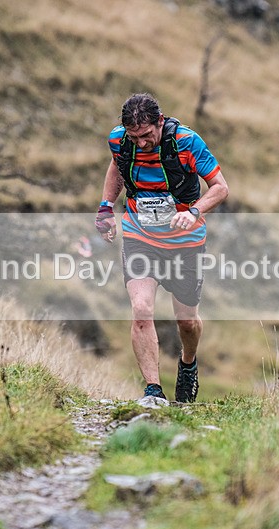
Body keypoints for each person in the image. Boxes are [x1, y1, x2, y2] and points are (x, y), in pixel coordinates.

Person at [95, 93, 229, 403]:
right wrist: (105, 206)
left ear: (160, 121)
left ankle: (188, 363)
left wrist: (193, 212)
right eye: (134, 137)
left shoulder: (186, 142)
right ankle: (153, 391)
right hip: (140, 236)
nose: (141, 143)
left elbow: (221, 187)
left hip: (186, 242)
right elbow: (116, 167)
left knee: (187, 322)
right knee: (141, 310)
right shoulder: (120, 141)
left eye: (146, 135)